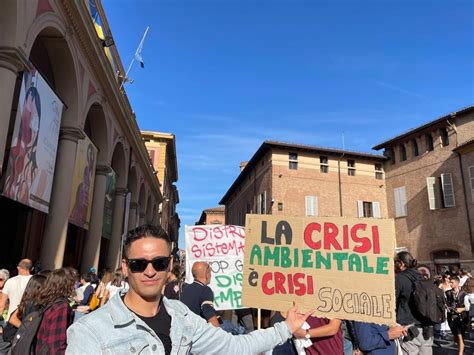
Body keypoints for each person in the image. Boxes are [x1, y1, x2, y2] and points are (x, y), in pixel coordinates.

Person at [66, 224, 313, 354]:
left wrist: (287, 328)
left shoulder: (182, 318)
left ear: (170, 264)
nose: (150, 271)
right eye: (139, 264)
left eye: (159, 263)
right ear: (126, 267)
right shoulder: (89, 331)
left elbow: (235, 347)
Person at [394, 251, 432, 354]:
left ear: (401, 263)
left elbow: (393, 302)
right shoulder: (422, 276)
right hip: (426, 327)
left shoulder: (400, 278)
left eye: (395, 262)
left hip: (408, 328)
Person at [35, 268, 75, 354]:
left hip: (39, 348)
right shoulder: (61, 306)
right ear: (67, 284)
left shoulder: (44, 299)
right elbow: (56, 342)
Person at [181, 261, 220, 326]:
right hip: (199, 331)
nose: (211, 275)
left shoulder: (185, 289)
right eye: (210, 272)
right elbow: (210, 315)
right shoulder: (205, 290)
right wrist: (219, 334)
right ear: (206, 274)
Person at [0, 259, 33, 324]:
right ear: (32, 269)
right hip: (29, 321)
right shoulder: (36, 281)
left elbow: (1, 306)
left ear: (18, 268)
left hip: (11, 321)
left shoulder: (10, 281)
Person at [446, 276, 469, 355]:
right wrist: (447, 307)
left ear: (457, 283)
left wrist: (462, 309)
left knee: (460, 336)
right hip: (451, 318)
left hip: (462, 318)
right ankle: (462, 348)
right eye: (450, 282)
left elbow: (468, 307)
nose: (450, 284)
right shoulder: (448, 293)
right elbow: (446, 304)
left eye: (452, 282)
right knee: (458, 337)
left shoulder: (464, 294)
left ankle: (460, 353)